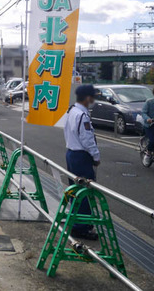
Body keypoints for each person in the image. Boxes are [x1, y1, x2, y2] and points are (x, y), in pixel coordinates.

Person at [63, 84, 101, 240]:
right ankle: (82, 227)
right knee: (84, 192)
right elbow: (87, 139)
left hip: (71, 153)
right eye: (93, 96)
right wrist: (96, 156)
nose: (93, 99)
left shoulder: (72, 111)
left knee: (75, 191)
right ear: (87, 98)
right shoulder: (82, 115)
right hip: (81, 156)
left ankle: (76, 222)